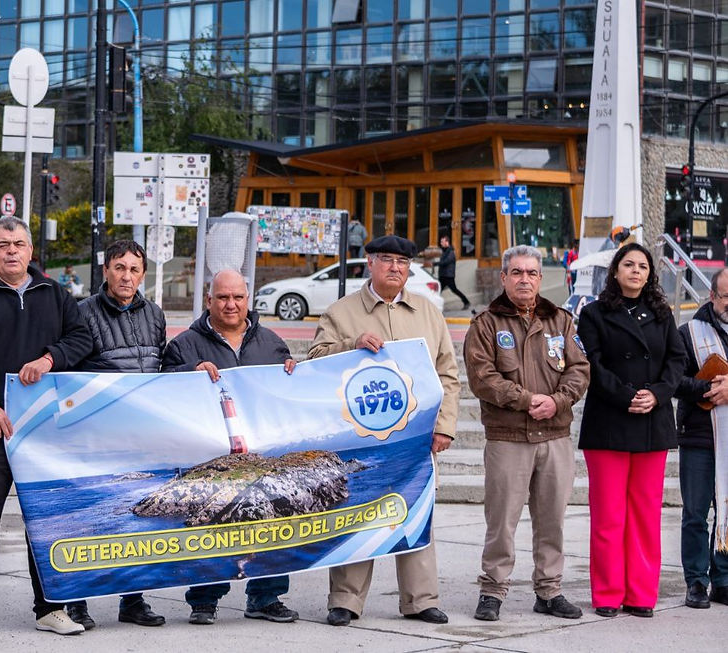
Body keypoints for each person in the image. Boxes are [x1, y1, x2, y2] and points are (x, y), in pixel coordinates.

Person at [0, 217, 94, 640]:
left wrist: (50, 358)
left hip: (43, 432)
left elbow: (83, 339)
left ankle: (50, 608)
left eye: (20, 244)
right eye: (3, 244)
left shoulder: (55, 294)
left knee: (44, 522)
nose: (12, 251)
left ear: (31, 252)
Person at [308, 234, 459, 627]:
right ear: (369, 263)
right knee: (358, 515)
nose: (396, 267)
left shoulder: (427, 313)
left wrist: (443, 427)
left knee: (417, 512)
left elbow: (448, 374)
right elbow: (314, 363)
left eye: (403, 262)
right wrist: (351, 342)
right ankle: (345, 600)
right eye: (387, 259)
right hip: (360, 437)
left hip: (416, 437)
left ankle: (420, 600)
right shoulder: (342, 312)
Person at [162, 269, 299, 626]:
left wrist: (292, 372)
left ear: (248, 299)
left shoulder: (271, 342)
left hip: (262, 456)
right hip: (210, 457)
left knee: (271, 525)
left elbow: (286, 398)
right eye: (222, 297)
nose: (231, 304)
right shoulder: (185, 344)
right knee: (213, 530)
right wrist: (191, 371)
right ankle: (204, 601)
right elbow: (163, 386)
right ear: (209, 301)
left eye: (238, 297)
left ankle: (266, 597)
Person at [463, 245, 589, 622]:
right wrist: (527, 399)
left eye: (531, 273)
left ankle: (549, 591)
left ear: (540, 278)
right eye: (516, 272)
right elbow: (482, 378)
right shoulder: (486, 323)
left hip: (554, 436)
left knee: (552, 520)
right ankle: (492, 591)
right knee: (501, 521)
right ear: (504, 278)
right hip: (508, 438)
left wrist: (558, 401)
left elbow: (579, 369)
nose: (524, 279)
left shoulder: (561, 321)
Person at [577, 242, 686, 618]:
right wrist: (627, 396)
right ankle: (607, 593)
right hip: (609, 421)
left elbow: (677, 360)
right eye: (629, 264)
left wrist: (656, 395)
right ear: (616, 271)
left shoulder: (661, 313)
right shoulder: (593, 314)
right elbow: (590, 364)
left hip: (652, 423)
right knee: (608, 516)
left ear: (650, 274)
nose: (636, 271)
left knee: (644, 514)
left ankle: (641, 594)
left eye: (642, 266)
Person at [63, 239, 167, 630]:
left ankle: (133, 599)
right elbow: (70, 367)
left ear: (142, 275)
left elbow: (163, 364)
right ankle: (77, 600)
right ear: (105, 270)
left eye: (134, 270)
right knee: (91, 518)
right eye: (119, 268)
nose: (127, 276)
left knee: (136, 516)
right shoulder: (80, 313)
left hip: (141, 436)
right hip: (96, 433)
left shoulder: (154, 314)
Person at [675, 268, 728, 609]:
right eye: (726, 297)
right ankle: (696, 581)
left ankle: (723, 579)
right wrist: (710, 388)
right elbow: (674, 380)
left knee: (727, 511)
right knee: (696, 512)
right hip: (699, 436)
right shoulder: (688, 333)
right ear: (712, 297)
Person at [435, 235, 471, 310]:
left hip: (448, 276)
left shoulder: (451, 252)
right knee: (438, 290)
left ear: (447, 242)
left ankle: (466, 302)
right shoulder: (445, 251)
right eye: (441, 241)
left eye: (442, 241)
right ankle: (434, 305)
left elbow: (445, 262)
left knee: (452, 290)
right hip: (443, 275)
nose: (441, 243)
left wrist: (435, 264)